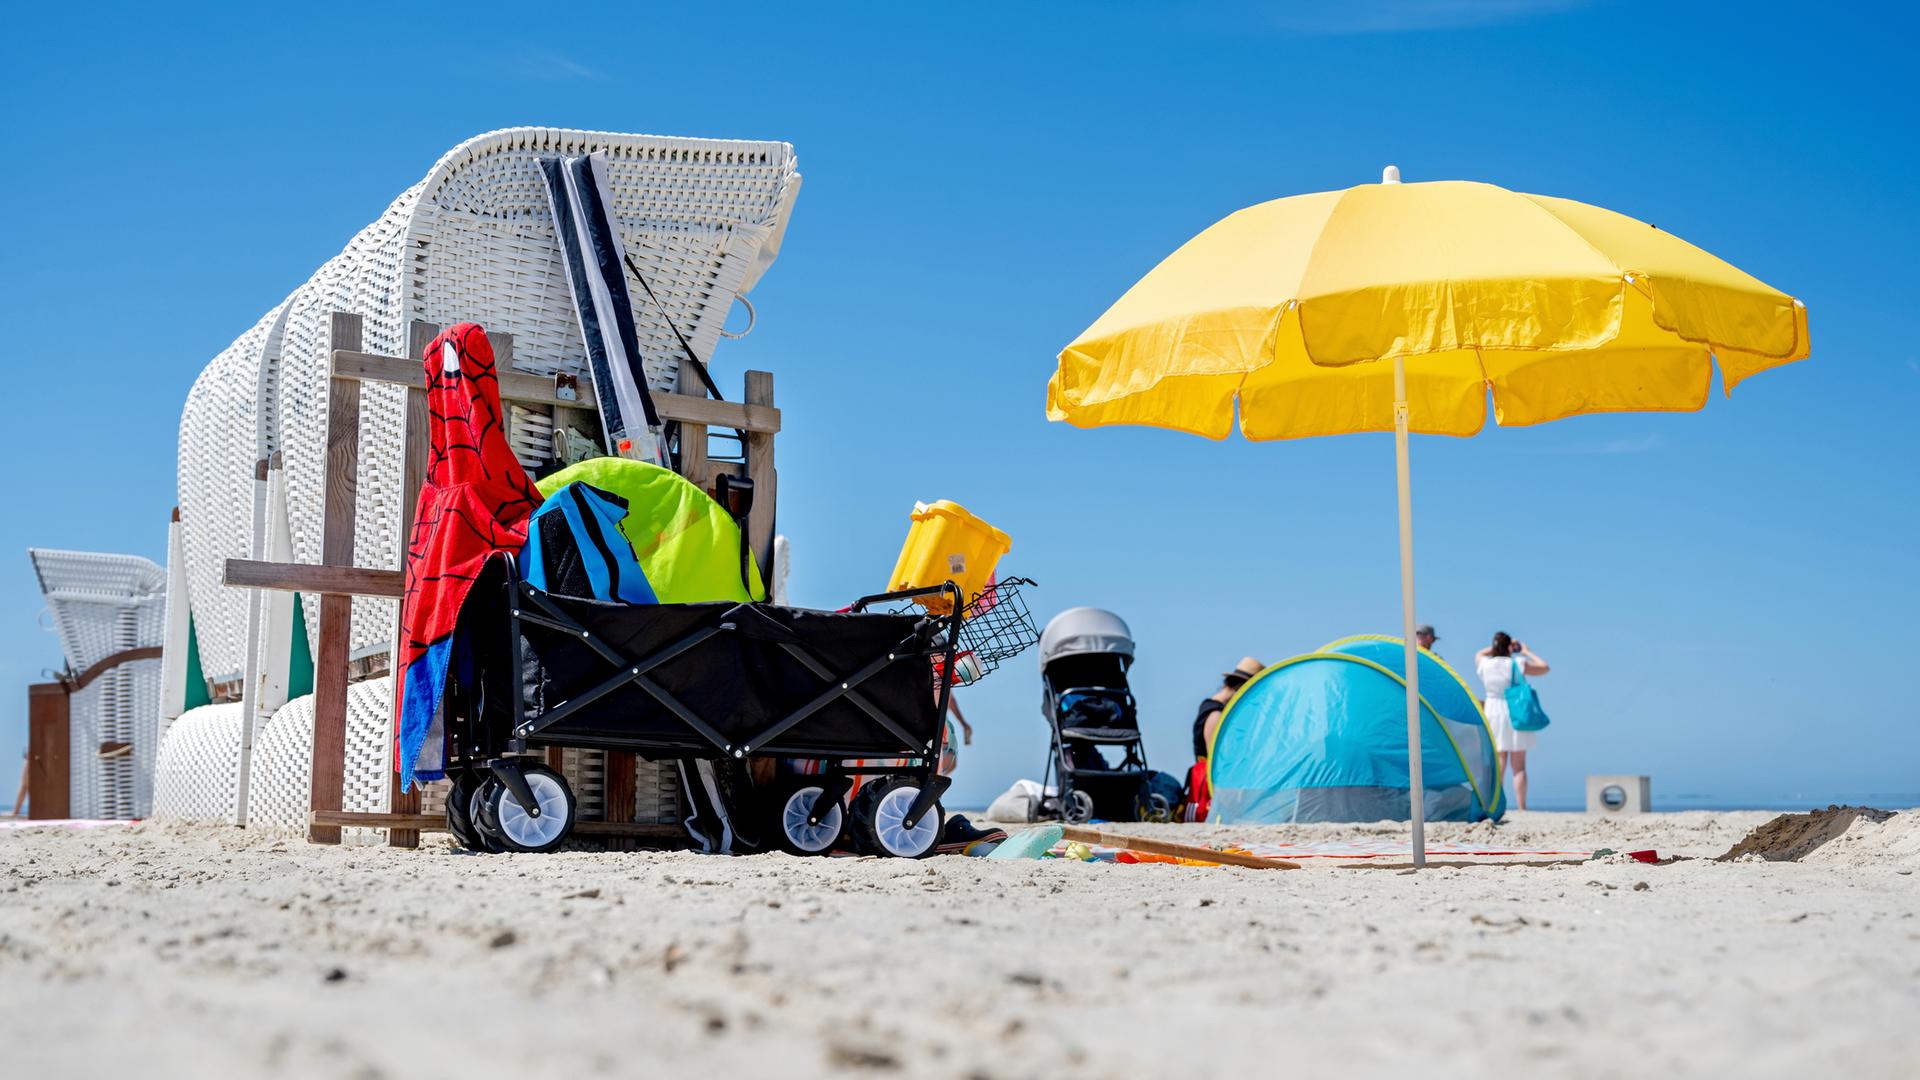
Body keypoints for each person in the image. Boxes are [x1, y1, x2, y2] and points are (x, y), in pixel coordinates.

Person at [1475, 632, 1550, 811]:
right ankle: (1522, 807)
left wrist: (1498, 646)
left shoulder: (1485, 664)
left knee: (1499, 762)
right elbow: (1544, 668)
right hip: (1515, 711)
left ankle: (1495, 804)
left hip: (1493, 711)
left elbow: (1479, 653)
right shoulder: (1517, 663)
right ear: (1510, 647)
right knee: (1519, 766)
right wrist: (1525, 651)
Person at [1184, 657, 1263, 821]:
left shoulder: (1209, 707)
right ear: (1242, 689)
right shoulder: (1216, 714)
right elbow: (1217, 763)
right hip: (1208, 794)